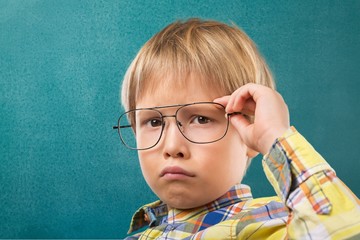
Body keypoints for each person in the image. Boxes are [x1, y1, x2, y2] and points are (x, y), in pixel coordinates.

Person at [114, 18, 360, 239]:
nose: (172, 147)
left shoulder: (265, 224)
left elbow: (344, 229)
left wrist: (272, 135)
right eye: (154, 122)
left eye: (201, 119)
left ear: (249, 127)